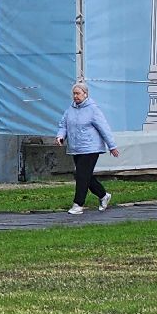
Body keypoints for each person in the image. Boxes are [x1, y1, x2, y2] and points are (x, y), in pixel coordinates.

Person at [56, 82, 119, 215]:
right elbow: (63, 125)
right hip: (76, 148)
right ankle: (103, 195)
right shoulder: (70, 110)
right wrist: (60, 136)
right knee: (83, 175)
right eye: (74, 93)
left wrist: (112, 146)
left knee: (81, 175)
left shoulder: (93, 109)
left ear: (85, 94)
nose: (75, 96)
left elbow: (104, 128)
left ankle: (78, 204)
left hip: (90, 148)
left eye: (78, 93)